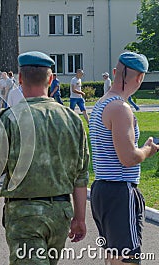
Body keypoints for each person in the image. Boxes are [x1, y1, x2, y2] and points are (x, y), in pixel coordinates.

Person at [0, 51, 89, 264]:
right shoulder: (72, 120)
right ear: (50, 79)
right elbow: (81, 176)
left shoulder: (9, 119)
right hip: (60, 213)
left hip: (24, 216)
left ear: (20, 79)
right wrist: (80, 218)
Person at [89, 52, 158, 265]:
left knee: (114, 257)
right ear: (140, 78)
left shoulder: (102, 103)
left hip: (102, 189)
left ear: (115, 73)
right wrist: (148, 149)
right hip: (120, 191)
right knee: (127, 260)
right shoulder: (120, 108)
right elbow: (128, 157)